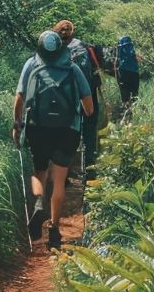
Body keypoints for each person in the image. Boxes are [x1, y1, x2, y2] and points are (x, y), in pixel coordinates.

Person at [13, 30, 94, 250]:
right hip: (67, 130)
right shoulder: (73, 67)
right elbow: (89, 107)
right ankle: (55, 230)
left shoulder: (31, 64)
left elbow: (20, 97)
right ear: (61, 48)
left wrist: (17, 125)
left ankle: (39, 204)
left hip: (37, 128)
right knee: (59, 180)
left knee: (40, 172)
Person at [53, 19, 104, 178]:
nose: (65, 32)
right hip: (88, 93)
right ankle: (90, 170)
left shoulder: (53, 50)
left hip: (67, 98)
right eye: (65, 30)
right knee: (89, 131)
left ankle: (67, 172)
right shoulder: (84, 46)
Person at [113, 34, 141, 119]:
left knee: (125, 94)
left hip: (123, 72)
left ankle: (126, 114)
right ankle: (134, 113)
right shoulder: (132, 47)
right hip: (134, 73)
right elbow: (139, 59)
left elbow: (116, 62)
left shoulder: (119, 48)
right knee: (134, 94)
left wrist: (116, 75)